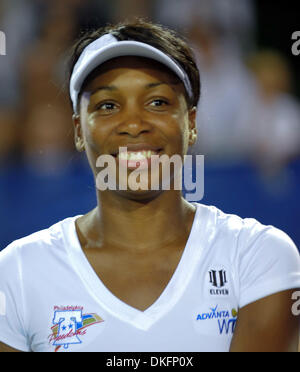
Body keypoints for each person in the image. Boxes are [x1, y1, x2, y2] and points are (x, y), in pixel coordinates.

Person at [0, 19, 299, 352]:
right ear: (78, 131)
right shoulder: (17, 272)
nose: (133, 124)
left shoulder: (257, 256)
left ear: (192, 123)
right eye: (107, 106)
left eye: (157, 102)